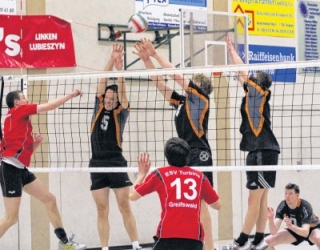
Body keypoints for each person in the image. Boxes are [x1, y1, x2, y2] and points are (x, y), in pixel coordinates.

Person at [133, 38, 216, 250]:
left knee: (200, 204)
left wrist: (155, 53)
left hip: (199, 153)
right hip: (185, 153)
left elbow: (175, 75)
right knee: (189, 204)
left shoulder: (201, 99)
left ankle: (209, 247)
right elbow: (160, 83)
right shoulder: (181, 102)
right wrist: (146, 60)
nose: (186, 84)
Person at [0, 89, 86, 250]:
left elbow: (23, 152)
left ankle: (65, 243)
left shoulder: (17, 122)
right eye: (24, 98)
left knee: (50, 199)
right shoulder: (19, 110)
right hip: (9, 169)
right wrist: (70, 95)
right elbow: (51, 106)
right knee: (11, 218)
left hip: (20, 169)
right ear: (17, 102)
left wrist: (36, 144)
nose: (27, 100)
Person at [226, 35, 280, 250]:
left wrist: (232, 52)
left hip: (261, 149)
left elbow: (243, 72)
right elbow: (242, 76)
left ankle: (240, 241)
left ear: (259, 84)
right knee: (261, 197)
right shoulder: (252, 95)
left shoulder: (259, 93)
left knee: (253, 199)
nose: (249, 78)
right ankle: (258, 240)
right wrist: (231, 54)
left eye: (253, 77)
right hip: (263, 149)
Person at [89, 43, 141, 250]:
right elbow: (102, 80)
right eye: (108, 97)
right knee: (102, 209)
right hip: (97, 163)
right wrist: (111, 59)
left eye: (113, 98)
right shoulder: (99, 105)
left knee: (124, 205)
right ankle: (104, 247)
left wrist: (120, 73)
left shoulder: (122, 111)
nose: (109, 100)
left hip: (117, 162)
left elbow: (123, 92)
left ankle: (136, 245)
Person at [129, 137, 221, 250]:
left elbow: (132, 196)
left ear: (167, 157)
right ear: (188, 156)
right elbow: (217, 205)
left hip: (167, 236)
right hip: (193, 238)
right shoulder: (200, 177)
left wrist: (142, 174)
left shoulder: (160, 174)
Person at [264, 183, 320, 250]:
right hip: (295, 230)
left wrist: (291, 226)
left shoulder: (305, 206)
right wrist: (270, 219)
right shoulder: (283, 205)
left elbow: (305, 233)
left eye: (290, 193)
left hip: (312, 229)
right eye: (286, 193)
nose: (287, 196)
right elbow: (274, 232)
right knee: (266, 242)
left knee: (317, 238)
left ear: (297, 195)